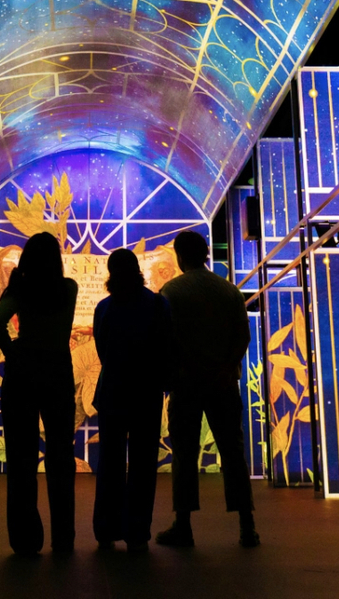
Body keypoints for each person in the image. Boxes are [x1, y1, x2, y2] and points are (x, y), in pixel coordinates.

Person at [156, 230, 260, 548]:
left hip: (186, 383)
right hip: (224, 383)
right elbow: (243, 337)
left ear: (179, 256)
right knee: (232, 452)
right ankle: (247, 525)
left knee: (185, 454)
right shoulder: (228, 291)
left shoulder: (170, 292)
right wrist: (227, 366)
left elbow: (165, 340)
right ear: (205, 254)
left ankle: (183, 525)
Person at [0, 232, 78, 555]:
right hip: (57, 372)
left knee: (21, 459)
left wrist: (12, 352)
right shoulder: (68, 289)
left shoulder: (20, 291)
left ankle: (25, 540)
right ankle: (63, 538)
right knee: (60, 457)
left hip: (22, 374)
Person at [92, 249, 172, 552]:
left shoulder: (105, 308)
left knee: (110, 462)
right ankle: (137, 531)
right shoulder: (157, 305)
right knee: (143, 464)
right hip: (146, 393)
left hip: (112, 391)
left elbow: (102, 350)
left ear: (112, 273)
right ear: (138, 270)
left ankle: (106, 529)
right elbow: (166, 346)